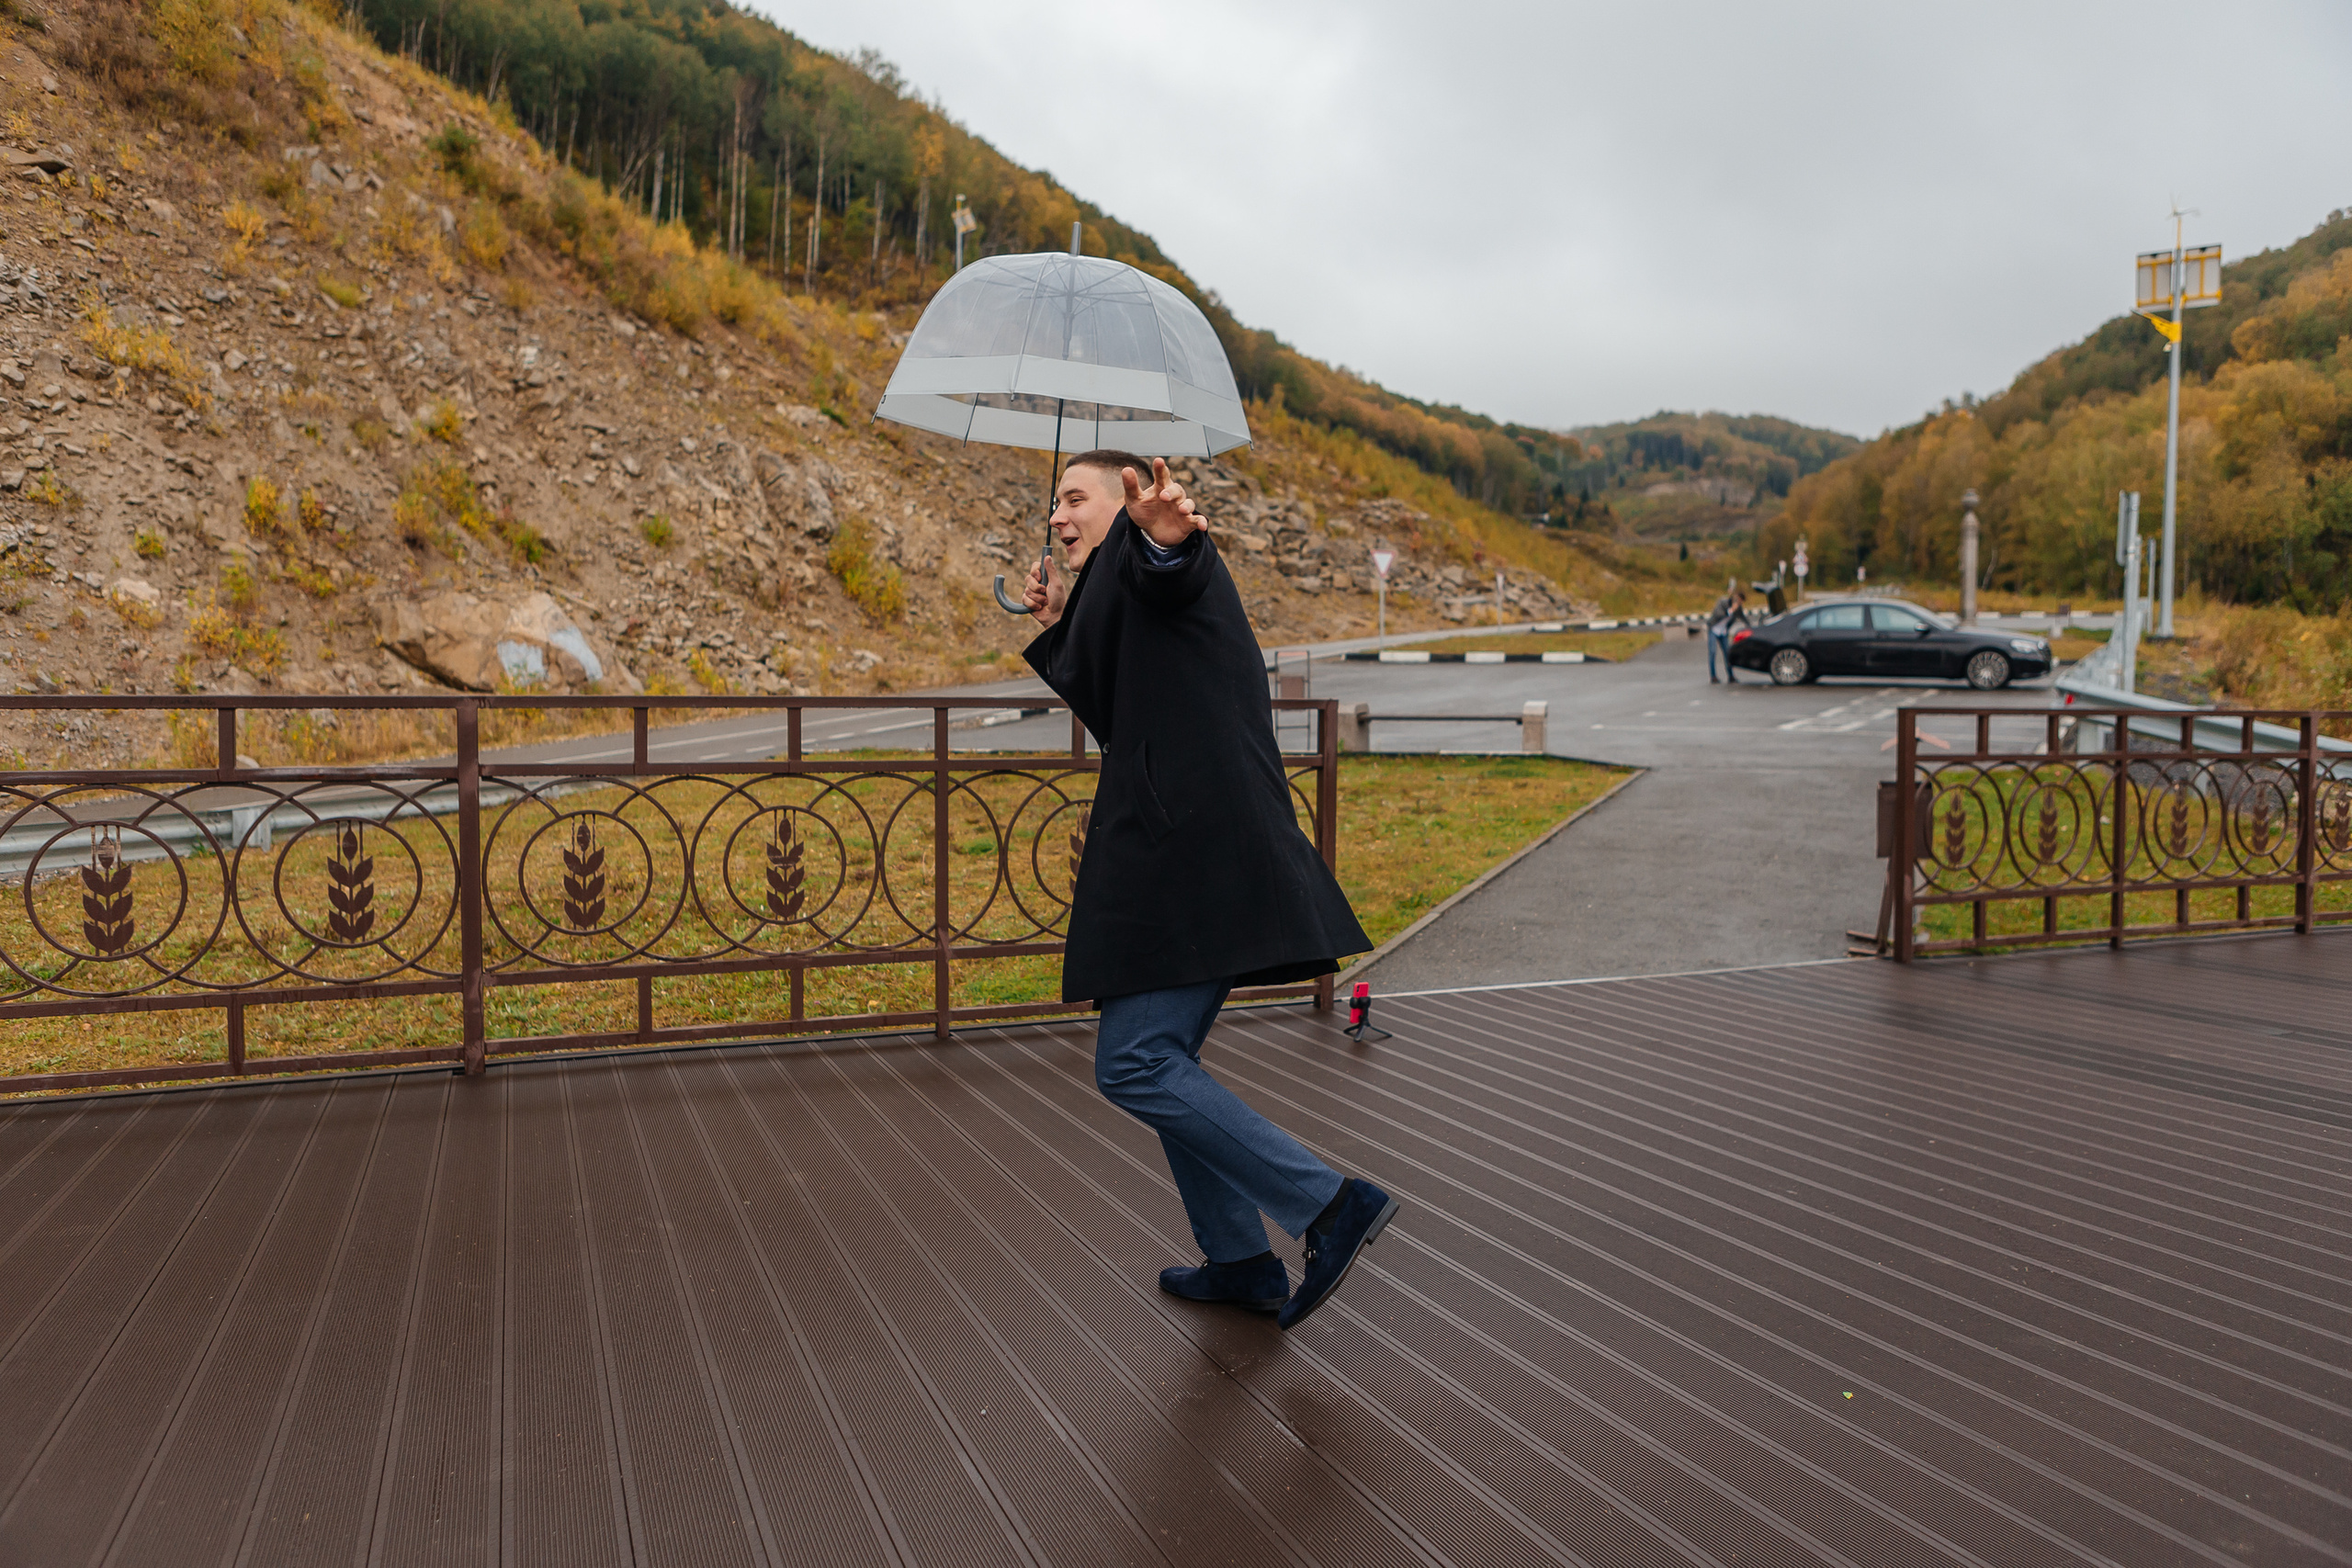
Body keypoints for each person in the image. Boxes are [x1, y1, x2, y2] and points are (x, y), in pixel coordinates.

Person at [1021, 449, 1398, 1330]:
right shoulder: (1115, 578)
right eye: (1056, 502)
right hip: (1180, 857)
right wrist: (1059, 614)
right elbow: (1128, 701)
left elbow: (1172, 570)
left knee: (1136, 1061)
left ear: (1126, 500)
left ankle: (1329, 1204)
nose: (1056, 516)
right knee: (1160, 1059)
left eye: (1073, 498)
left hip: (1194, 859)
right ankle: (1239, 1258)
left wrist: (1165, 538)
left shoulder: (1158, 555)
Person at [1706, 578, 1749, 684]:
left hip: (1723, 632)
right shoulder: (1723, 602)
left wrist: (1751, 627)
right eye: (1738, 601)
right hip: (1714, 629)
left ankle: (1731, 676)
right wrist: (1730, 611)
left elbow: (1743, 618)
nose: (1739, 604)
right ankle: (1713, 676)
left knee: (1727, 653)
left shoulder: (1738, 608)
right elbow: (1718, 615)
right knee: (1712, 652)